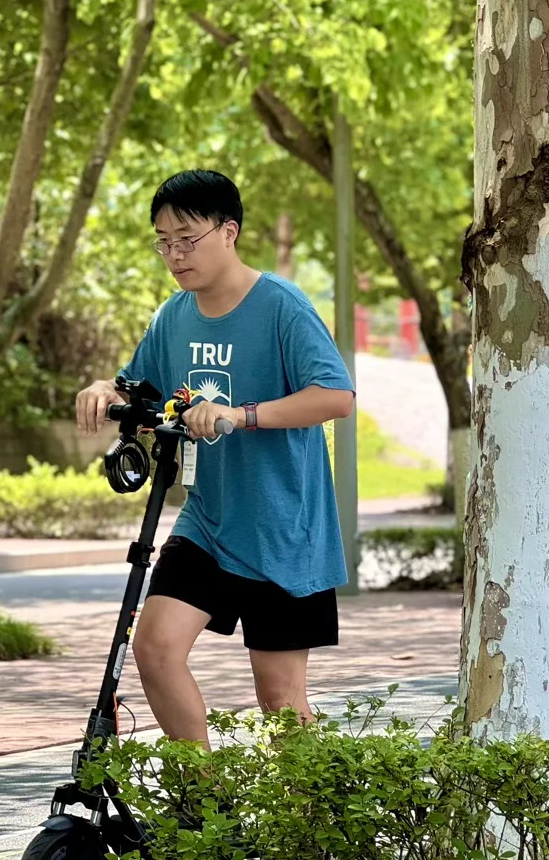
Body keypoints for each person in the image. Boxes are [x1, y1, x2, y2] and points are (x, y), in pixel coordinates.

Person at [75, 169, 355, 746]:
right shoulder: (173, 316)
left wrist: (240, 414)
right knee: (154, 648)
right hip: (209, 519)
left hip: (285, 527)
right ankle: (204, 810)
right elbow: (139, 386)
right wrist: (109, 388)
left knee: (279, 698)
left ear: (229, 232)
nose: (174, 254)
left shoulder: (281, 305)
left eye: (187, 238)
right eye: (163, 241)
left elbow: (336, 397)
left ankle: (306, 831)